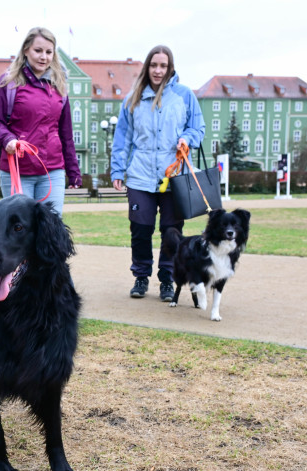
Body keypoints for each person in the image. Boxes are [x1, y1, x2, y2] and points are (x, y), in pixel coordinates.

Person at [109, 45, 205, 301]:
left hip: (174, 176)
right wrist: (117, 169)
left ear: (170, 68)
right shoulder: (133, 99)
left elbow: (198, 128)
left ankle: (167, 279)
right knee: (140, 228)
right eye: (154, 65)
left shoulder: (184, 96)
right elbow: (123, 139)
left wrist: (186, 137)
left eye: (163, 66)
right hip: (140, 175)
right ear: (147, 67)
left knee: (171, 230)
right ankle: (141, 276)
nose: (158, 70)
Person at [0, 27, 81, 216]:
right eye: (38, 51)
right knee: (20, 231)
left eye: (48, 52)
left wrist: (73, 171)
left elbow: (65, 134)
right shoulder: (9, 82)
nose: (43, 57)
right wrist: (8, 140)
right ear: (26, 50)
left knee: (51, 230)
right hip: (18, 170)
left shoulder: (59, 86)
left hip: (52, 171)